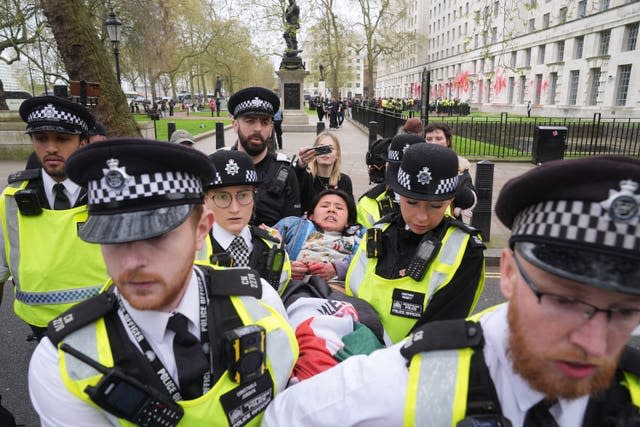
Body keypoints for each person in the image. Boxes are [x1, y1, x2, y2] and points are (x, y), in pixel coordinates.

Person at [263, 155, 640, 427]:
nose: (594, 343)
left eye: (625, 310)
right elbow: (289, 414)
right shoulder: (414, 378)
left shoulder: (463, 248)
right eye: (561, 299)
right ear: (507, 272)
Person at [29, 138, 298, 425]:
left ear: (201, 230)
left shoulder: (259, 303)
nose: (131, 262)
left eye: (156, 236)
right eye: (112, 238)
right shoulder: (64, 361)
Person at [347, 143, 485, 344]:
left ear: (450, 200)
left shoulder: (466, 247)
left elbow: (438, 329)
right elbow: (354, 299)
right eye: (411, 202)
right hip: (364, 356)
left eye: (435, 206)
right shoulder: (378, 231)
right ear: (398, 193)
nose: (421, 217)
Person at [0, 96, 108, 340]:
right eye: (41, 139)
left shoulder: (109, 193)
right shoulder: (11, 198)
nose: (50, 148)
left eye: (62, 139)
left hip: (104, 318)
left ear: (83, 142)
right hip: (40, 325)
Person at [199, 150, 292, 293]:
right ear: (205, 200)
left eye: (243, 195)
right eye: (222, 197)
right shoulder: (192, 250)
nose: (235, 209)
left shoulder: (273, 246)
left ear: (254, 196)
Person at [226, 86, 301, 227]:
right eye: (250, 120)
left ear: (271, 128)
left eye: (265, 122)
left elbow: (292, 229)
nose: (258, 128)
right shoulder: (218, 167)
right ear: (235, 125)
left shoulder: (285, 172)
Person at [274, 189, 363, 284]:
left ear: (348, 221)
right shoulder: (292, 225)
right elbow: (261, 249)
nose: (331, 210)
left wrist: (336, 269)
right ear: (311, 215)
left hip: (337, 291)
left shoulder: (361, 236)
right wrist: (285, 267)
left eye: (339, 208)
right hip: (292, 288)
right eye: (325, 206)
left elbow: (366, 262)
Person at [356, 133, 424, 228]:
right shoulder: (367, 203)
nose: (404, 174)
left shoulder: (440, 202)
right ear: (387, 165)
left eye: (411, 168)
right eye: (399, 167)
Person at [424, 122, 477, 220]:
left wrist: (449, 172)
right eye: (429, 139)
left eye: (439, 138)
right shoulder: (417, 164)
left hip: (449, 222)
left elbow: (469, 200)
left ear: (447, 141)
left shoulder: (460, 165)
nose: (433, 143)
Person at [295, 131, 353, 215]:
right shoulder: (306, 178)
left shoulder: (344, 181)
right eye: (321, 148)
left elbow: (351, 212)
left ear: (337, 154)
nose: (326, 153)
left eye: (330, 148)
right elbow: (296, 177)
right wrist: (301, 163)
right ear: (314, 152)